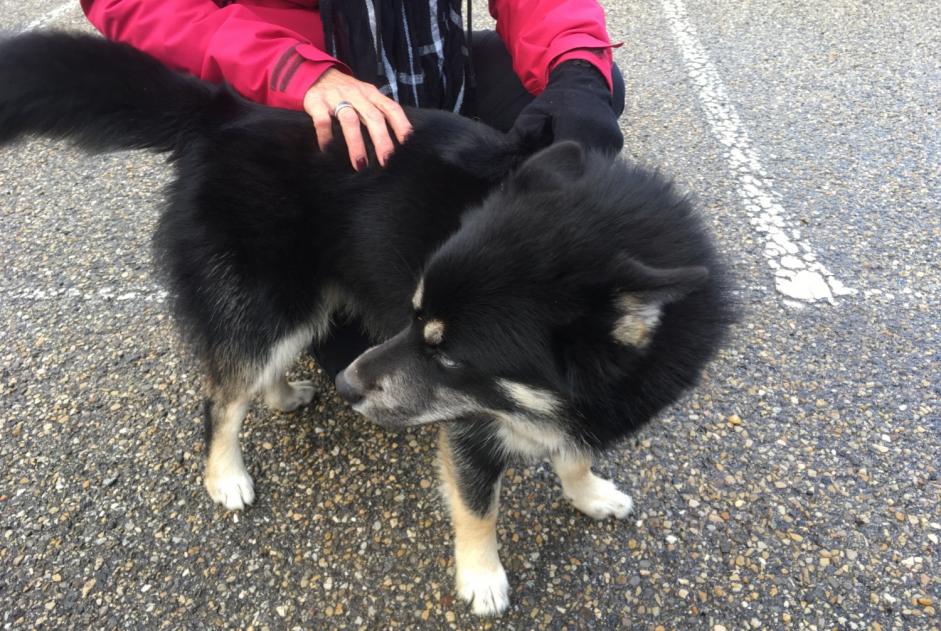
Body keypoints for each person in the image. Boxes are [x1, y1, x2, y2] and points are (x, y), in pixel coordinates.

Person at [82, 0, 626, 375]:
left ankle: (481, 264)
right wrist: (294, 69)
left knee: (585, 99)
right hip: (287, 87)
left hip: (433, 68)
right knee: (369, 358)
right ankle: (339, 268)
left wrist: (576, 64)